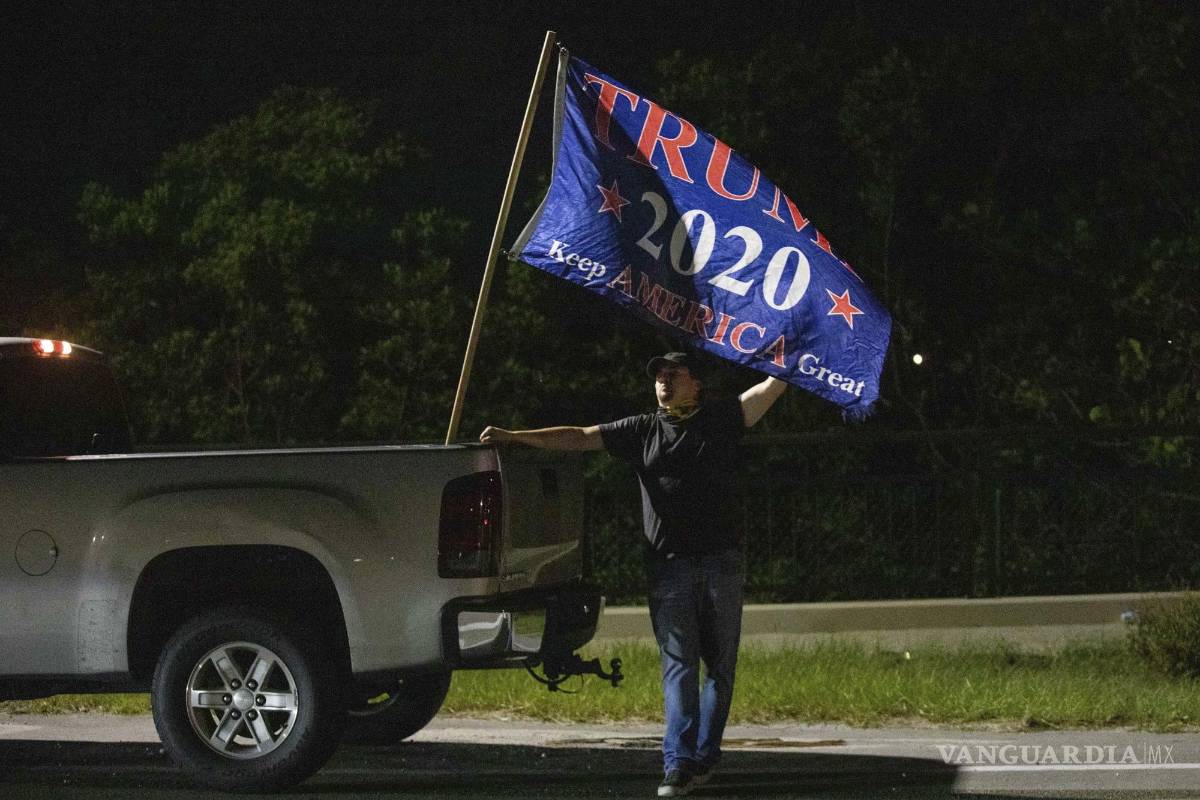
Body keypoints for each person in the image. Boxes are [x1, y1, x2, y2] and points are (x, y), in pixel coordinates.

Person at [480, 351, 787, 797]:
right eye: (658, 376)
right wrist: (516, 437)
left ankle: (705, 756)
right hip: (669, 566)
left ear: (695, 384)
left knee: (719, 667)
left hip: (721, 562)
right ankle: (678, 765)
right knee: (679, 664)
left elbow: (767, 391)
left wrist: (792, 358)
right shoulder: (643, 428)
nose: (663, 381)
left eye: (673, 375)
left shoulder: (721, 419)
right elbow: (580, 436)